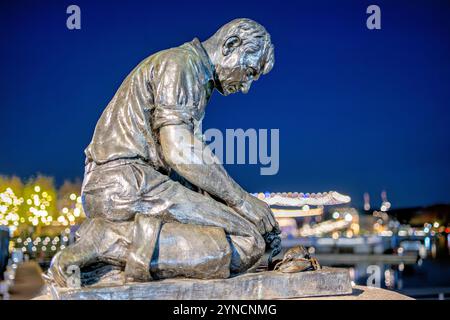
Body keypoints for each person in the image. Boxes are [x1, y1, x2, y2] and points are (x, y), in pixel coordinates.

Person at [49, 18, 280, 286]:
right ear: (230, 45)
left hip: (128, 184)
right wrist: (241, 201)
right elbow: (178, 150)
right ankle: (109, 241)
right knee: (248, 241)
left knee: (247, 233)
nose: (246, 86)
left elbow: (188, 172)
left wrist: (240, 210)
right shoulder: (181, 65)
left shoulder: (192, 72)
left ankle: (118, 252)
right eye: (250, 72)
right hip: (127, 184)